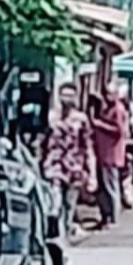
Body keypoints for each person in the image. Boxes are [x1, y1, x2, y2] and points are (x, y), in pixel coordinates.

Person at [42, 84, 95, 217]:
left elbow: (88, 146)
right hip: (55, 165)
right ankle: (58, 230)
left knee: (70, 203)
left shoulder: (81, 119)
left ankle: (66, 229)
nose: (67, 99)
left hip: (75, 166)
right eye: (64, 95)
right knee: (55, 202)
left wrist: (92, 173)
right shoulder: (51, 118)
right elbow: (43, 140)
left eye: (70, 96)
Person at [91, 83, 133, 224]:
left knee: (111, 186)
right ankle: (107, 216)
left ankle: (114, 217)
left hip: (111, 154)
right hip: (104, 153)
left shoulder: (118, 110)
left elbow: (119, 131)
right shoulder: (108, 109)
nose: (107, 97)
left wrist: (99, 125)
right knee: (105, 187)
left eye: (110, 94)